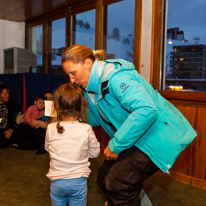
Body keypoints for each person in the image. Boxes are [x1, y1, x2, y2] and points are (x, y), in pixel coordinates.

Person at [60, 44, 197, 206]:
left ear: (88, 64)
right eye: (68, 75)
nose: (71, 79)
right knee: (104, 178)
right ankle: (132, 198)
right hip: (137, 135)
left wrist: (116, 145)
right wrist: (71, 118)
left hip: (156, 136)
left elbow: (146, 110)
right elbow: (99, 118)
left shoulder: (116, 79)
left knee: (117, 182)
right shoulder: (91, 87)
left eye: (73, 73)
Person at [45, 83, 100, 206]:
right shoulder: (86, 129)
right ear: (82, 106)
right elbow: (95, 154)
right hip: (78, 182)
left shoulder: (50, 128)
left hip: (57, 182)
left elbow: (48, 148)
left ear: (56, 106)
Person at [0, 83, 20, 148]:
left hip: (7, 130)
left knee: (2, 143)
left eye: (8, 93)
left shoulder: (12, 103)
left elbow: (18, 119)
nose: (7, 95)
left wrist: (11, 130)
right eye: (4, 94)